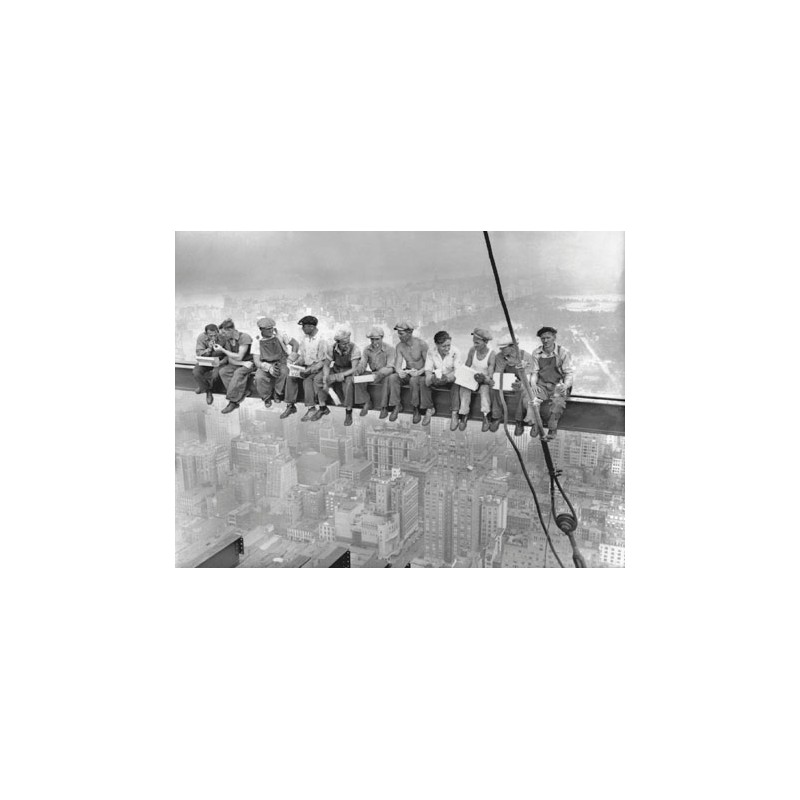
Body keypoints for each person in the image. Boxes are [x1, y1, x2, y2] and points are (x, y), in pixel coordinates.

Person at [530, 326, 575, 440]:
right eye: (543, 338)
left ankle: (552, 427)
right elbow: (534, 372)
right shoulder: (536, 353)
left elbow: (569, 373)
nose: (545, 341)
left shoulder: (563, 352)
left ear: (554, 338)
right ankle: (536, 424)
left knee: (557, 403)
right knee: (533, 399)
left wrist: (565, 385)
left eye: (548, 338)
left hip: (558, 384)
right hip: (542, 384)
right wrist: (534, 385)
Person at [281, 315, 329, 421]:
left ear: (311, 327)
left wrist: (310, 369)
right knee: (291, 377)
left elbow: (323, 361)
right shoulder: (304, 338)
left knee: (307, 380)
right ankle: (290, 405)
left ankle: (311, 408)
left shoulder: (322, 339)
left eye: (304, 327)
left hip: (317, 368)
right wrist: (296, 364)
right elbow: (302, 356)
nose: (302, 329)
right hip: (306, 366)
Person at [387, 322, 432, 424]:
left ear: (409, 333)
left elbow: (429, 365)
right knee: (393, 377)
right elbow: (397, 364)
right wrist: (399, 371)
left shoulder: (422, 344)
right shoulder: (399, 346)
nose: (399, 336)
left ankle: (415, 408)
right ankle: (396, 405)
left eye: (401, 333)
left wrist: (419, 372)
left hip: (421, 373)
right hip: (408, 371)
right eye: (398, 333)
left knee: (413, 380)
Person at [490, 334, 535, 435]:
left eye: (503, 348)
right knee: (495, 388)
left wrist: (520, 381)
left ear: (513, 346)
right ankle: (496, 416)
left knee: (522, 390)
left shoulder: (526, 356)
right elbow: (498, 373)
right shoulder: (499, 357)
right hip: (505, 382)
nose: (501, 350)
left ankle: (519, 421)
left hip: (520, 382)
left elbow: (528, 377)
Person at [253, 317, 298, 408]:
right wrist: (268, 368)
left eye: (272, 328)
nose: (271, 330)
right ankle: (266, 398)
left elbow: (295, 344)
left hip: (281, 361)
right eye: (268, 329)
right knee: (259, 377)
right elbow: (256, 361)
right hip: (266, 363)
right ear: (261, 329)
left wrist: (291, 358)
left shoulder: (280, 334)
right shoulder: (257, 340)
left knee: (284, 372)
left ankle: (278, 394)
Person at [458, 328, 497, 432]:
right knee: (464, 389)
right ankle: (464, 414)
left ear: (485, 342)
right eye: (474, 342)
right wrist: (463, 375)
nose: (475, 345)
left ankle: (486, 415)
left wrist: (484, 378)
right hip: (472, 379)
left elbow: (490, 372)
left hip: (483, 380)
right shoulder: (472, 350)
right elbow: (467, 365)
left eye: (477, 343)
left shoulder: (491, 354)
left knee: (484, 391)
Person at [214, 318, 255, 414]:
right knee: (223, 371)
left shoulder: (244, 337)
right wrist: (242, 363)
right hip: (241, 363)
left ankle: (233, 401)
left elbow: (239, 356)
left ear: (231, 330)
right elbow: (230, 358)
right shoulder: (228, 340)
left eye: (224, 333)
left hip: (250, 363)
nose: (222, 335)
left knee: (238, 373)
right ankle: (243, 392)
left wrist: (223, 350)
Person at [321, 329, 362, 425]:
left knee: (348, 383)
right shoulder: (332, 348)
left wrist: (341, 375)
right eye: (344, 344)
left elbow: (354, 368)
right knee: (321, 379)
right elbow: (326, 365)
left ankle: (348, 411)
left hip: (348, 371)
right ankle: (323, 406)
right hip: (337, 368)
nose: (346, 345)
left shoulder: (355, 349)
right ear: (338, 342)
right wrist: (326, 376)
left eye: (348, 342)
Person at [354, 327, 396, 419]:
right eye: (372, 339)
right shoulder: (367, 350)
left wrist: (381, 373)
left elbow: (391, 367)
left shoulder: (390, 349)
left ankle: (384, 407)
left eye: (377, 339)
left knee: (387, 379)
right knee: (359, 377)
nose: (374, 342)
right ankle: (367, 401)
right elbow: (363, 364)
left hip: (385, 373)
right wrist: (358, 370)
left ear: (382, 338)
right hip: (374, 374)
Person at [424, 330, 462, 430]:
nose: (447, 348)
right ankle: (429, 408)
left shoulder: (455, 352)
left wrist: (447, 378)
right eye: (444, 346)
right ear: (437, 345)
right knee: (424, 382)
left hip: (450, 377)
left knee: (456, 384)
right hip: (438, 376)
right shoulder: (431, 352)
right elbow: (428, 369)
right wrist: (431, 378)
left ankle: (454, 413)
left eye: (448, 345)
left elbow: (457, 371)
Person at [192, 323, 227, 405]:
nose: (213, 337)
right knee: (196, 372)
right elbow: (199, 353)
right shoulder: (201, 337)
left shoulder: (223, 338)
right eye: (211, 336)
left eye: (215, 335)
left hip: (219, 360)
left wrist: (221, 362)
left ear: (218, 332)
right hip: (206, 360)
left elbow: (228, 354)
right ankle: (207, 390)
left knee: (215, 376)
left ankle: (204, 388)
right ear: (206, 334)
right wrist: (209, 349)